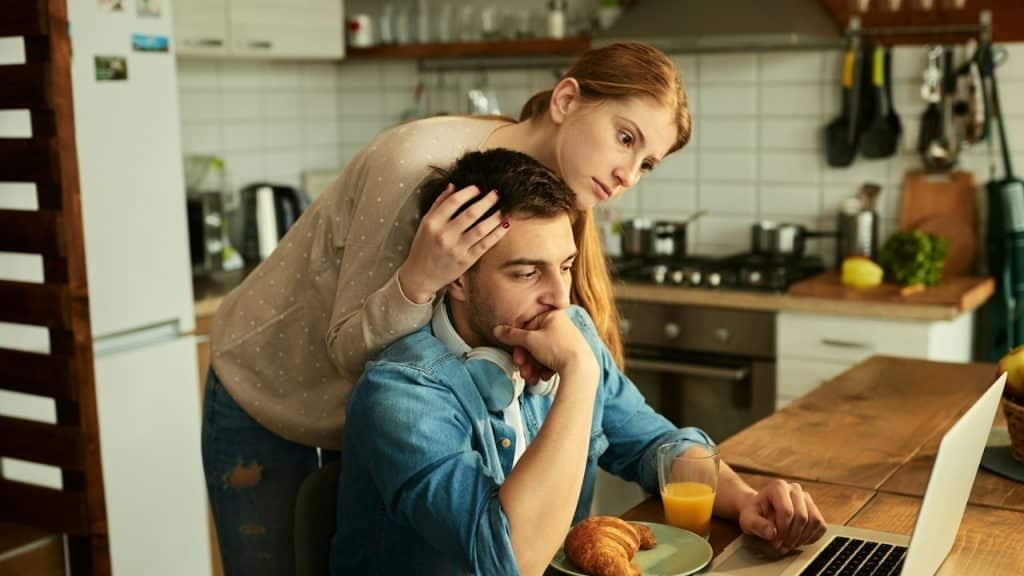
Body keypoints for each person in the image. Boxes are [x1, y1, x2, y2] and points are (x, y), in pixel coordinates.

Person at [202, 41, 691, 575]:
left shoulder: (537, 187)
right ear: (566, 100)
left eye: (646, 163)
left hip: (381, 415)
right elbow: (360, 358)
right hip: (271, 388)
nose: (627, 175)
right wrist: (418, 280)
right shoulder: (417, 169)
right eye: (624, 138)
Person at [330, 149, 827, 575]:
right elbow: (508, 559)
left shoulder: (571, 333)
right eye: (526, 273)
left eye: (565, 267)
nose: (558, 297)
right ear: (456, 279)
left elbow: (654, 445)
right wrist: (580, 377)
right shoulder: (401, 394)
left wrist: (745, 501)